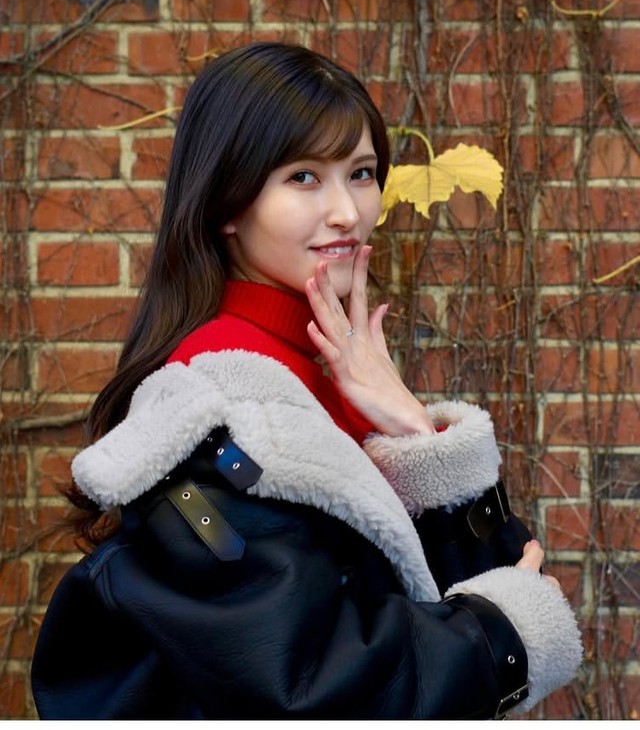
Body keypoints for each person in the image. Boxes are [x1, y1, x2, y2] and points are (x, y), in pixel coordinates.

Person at [31, 42, 582, 719]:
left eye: (361, 173)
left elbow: (497, 580)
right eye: (303, 177)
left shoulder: (336, 375)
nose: (348, 211)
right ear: (228, 202)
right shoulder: (213, 414)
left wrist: (416, 431)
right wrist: (503, 634)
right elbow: (304, 686)